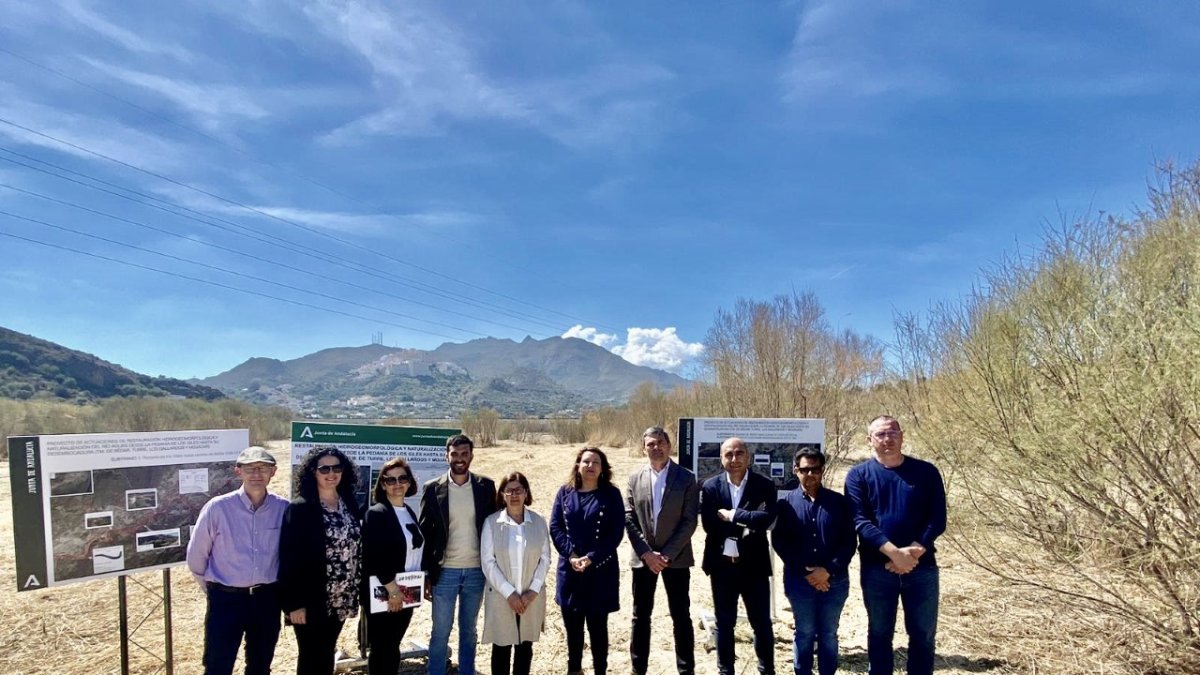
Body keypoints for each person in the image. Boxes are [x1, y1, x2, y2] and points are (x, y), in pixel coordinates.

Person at [845, 416, 947, 675]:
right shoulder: (858, 475)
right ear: (869, 440)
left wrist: (914, 552)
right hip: (878, 569)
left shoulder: (926, 472)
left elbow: (937, 519)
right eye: (880, 434)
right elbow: (859, 520)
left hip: (922, 568)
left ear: (902, 435)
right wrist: (894, 553)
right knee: (879, 634)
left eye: (892, 433)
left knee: (923, 635)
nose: (887, 439)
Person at [187, 446, 289, 675]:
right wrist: (215, 591)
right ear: (238, 471)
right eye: (250, 468)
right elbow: (196, 558)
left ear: (273, 472)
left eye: (263, 468)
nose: (256, 474)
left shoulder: (283, 508)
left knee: (260, 666)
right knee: (218, 666)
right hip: (226, 601)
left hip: (266, 600)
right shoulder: (218, 508)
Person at [278, 446, 363, 675]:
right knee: (310, 656)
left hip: (342, 596)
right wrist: (294, 604)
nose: (331, 473)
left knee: (326, 652)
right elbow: (289, 558)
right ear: (313, 472)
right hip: (311, 598)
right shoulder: (300, 508)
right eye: (324, 469)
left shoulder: (348, 503)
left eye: (337, 468)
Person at [419, 434, 498, 675]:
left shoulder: (486, 487)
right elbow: (425, 534)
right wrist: (426, 574)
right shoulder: (432, 489)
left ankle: (467, 671)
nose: (460, 459)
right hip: (445, 572)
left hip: (476, 571)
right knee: (440, 631)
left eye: (464, 454)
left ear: (472, 456)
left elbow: (495, 527)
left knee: (469, 631)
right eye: (454, 454)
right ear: (447, 456)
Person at [772, 449, 856, 675]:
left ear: (822, 470)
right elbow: (780, 542)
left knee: (829, 633)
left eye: (815, 469)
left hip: (835, 581)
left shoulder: (839, 503)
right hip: (799, 581)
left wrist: (828, 570)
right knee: (805, 632)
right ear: (795, 470)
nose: (810, 474)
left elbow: (849, 542)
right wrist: (806, 572)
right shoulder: (785, 504)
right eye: (805, 469)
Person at [624, 426, 700, 675]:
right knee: (640, 616)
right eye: (651, 444)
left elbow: (690, 520)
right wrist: (647, 553)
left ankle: (686, 669)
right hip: (643, 559)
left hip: (675, 559)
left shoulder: (686, 478)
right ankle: (638, 669)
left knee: (681, 615)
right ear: (643, 448)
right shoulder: (634, 478)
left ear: (669, 445)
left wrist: (666, 554)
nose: (656, 447)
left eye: (660, 442)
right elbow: (629, 518)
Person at [699, 437, 777, 675]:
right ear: (721, 458)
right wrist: (748, 521)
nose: (734, 459)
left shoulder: (764, 485)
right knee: (724, 623)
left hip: (754, 566)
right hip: (722, 566)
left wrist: (733, 515)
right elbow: (710, 524)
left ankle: (766, 670)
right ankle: (726, 670)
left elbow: (766, 520)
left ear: (748, 457)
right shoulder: (710, 487)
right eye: (729, 454)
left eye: (739, 453)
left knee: (761, 623)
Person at [549, 447, 625, 675]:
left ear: (603, 468)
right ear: (578, 465)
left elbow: (615, 533)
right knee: (573, 631)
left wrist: (592, 557)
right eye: (586, 461)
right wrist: (571, 555)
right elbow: (555, 527)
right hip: (570, 571)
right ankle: (574, 670)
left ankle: (600, 670)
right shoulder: (565, 492)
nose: (590, 466)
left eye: (596, 462)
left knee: (598, 630)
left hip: (600, 571)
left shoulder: (611, 494)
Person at [480, 472, 551, 675]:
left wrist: (533, 591)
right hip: (502, 597)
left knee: (525, 648)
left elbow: (545, 559)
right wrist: (509, 593)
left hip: (531, 598)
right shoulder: (491, 523)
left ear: (526, 493)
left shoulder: (538, 522)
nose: (514, 495)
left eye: (518, 490)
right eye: (509, 490)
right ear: (502, 495)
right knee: (501, 649)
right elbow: (488, 562)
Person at [362, 457, 425, 675]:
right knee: (382, 648)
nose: (397, 483)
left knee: (392, 646)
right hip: (387, 592)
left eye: (402, 478)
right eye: (390, 480)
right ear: (382, 484)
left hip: (406, 590)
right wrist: (393, 590)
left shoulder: (408, 511)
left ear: (409, 482)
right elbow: (373, 556)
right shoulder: (377, 514)